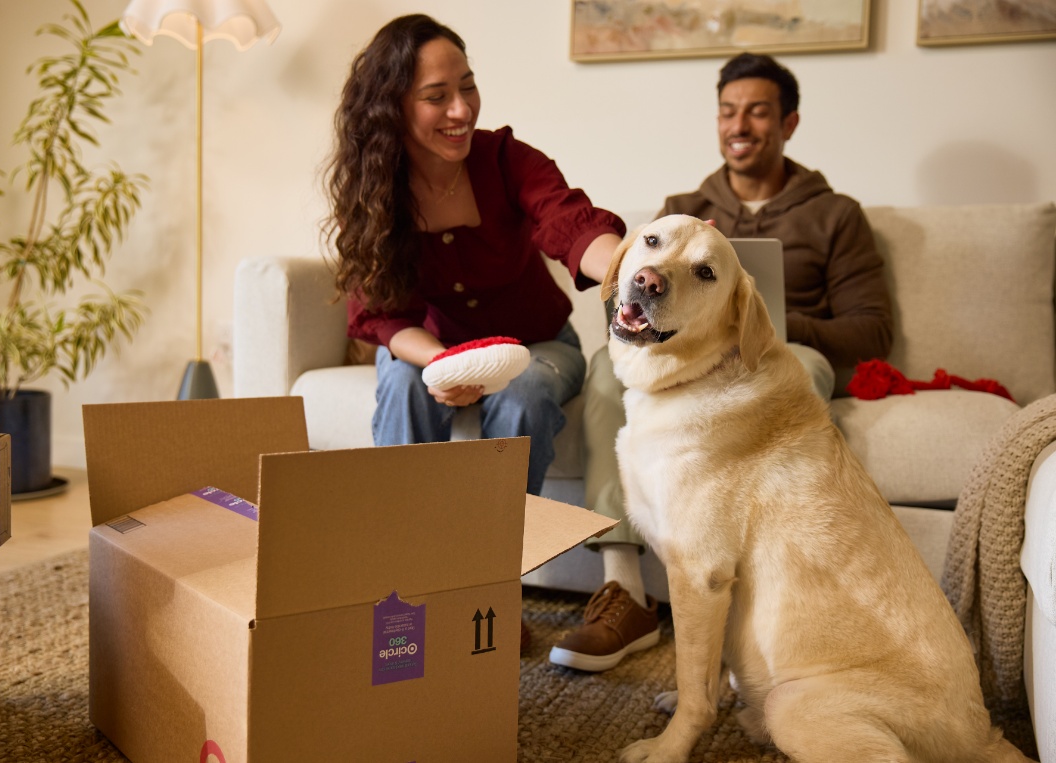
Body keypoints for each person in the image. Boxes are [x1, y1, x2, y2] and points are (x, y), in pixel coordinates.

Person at [549, 52, 894, 672]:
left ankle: (767, 596)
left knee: (804, 370)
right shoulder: (685, 206)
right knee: (604, 367)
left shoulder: (835, 214)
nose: (739, 125)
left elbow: (872, 331)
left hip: (782, 351)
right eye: (728, 111)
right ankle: (624, 590)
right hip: (687, 354)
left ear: (788, 124)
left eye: (757, 112)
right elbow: (640, 299)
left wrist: (758, 320)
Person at [324, 14, 624, 500]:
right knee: (403, 385)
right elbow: (385, 316)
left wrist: (634, 268)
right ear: (392, 107)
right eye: (436, 96)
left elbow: (570, 223)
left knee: (524, 394)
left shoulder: (507, 159)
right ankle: (401, 536)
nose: (462, 110)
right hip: (431, 345)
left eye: (467, 86)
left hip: (538, 345)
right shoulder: (373, 192)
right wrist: (444, 364)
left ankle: (494, 543)